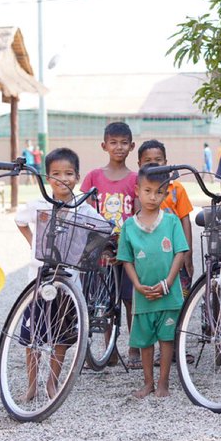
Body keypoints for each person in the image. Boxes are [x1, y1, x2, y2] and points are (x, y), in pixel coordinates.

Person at [14, 147, 99, 399]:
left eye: (69, 173)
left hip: (69, 284)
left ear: (78, 176)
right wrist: (33, 243)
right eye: (56, 174)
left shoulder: (82, 205)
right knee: (32, 338)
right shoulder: (38, 203)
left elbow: (102, 228)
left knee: (61, 337)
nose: (63, 178)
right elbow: (20, 221)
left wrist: (87, 251)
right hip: (38, 282)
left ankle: (52, 382)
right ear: (47, 177)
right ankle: (31, 386)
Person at [116, 168, 189, 398]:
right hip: (143, 295)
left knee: (167, 339)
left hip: (169, 296)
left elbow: (180, 252)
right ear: (137, 191)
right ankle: (148, 383)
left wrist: (168, 282)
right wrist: (137, 285)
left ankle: (163, 383)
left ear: (166, 194)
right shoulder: (128, 226)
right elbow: (126, 259)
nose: (152, 197)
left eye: (159, 192)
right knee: (145, 341)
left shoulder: (171, 221)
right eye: (147, 191)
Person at [82, 121, 139, 366]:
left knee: (130, 299)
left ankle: (135, 349)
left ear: (132, 146)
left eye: (124, 143)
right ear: (104, 145)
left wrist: (132, 246)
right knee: (103, 299)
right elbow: (84, 212)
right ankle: (109, 348)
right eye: (113, 143)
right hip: (101, 249)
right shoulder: (94, 176)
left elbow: (138, 215)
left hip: (126, 249)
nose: (119, 147)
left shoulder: (136, 178)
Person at [137, 139, 194, 297]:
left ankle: (179, 321)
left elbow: (185, 219)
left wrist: (188, 253)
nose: (154, 164)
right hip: (151, 251)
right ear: (139, 164)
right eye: (147, 161)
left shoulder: (176, 188)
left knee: (181, 294)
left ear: (166, 162)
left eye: (158, 160)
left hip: (175, 250)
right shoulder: (141, 190)